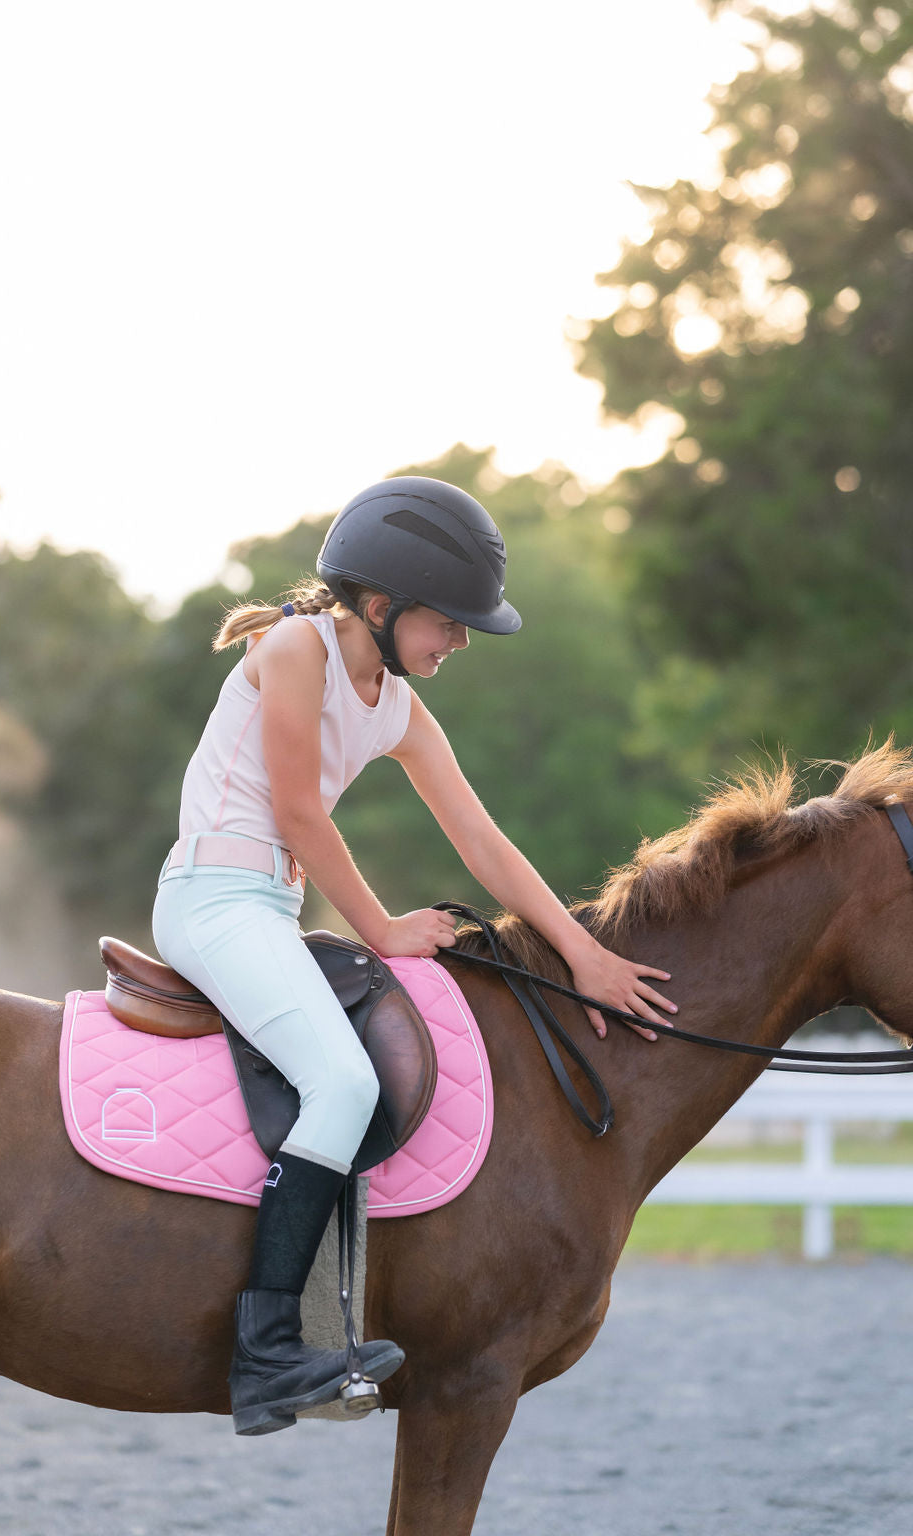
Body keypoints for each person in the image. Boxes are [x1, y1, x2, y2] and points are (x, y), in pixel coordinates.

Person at [152, 475, 677, 1436]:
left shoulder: (392, 701)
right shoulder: (295, 648)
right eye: (451, 622)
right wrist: (385, 928)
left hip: (266, 909)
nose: (462, 643)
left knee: (360, 1069)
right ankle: (268, 1347)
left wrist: (579, 954)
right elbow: (299, 812)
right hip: (213, 901)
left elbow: (483, 842)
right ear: (383, 606)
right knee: (343, 1086)